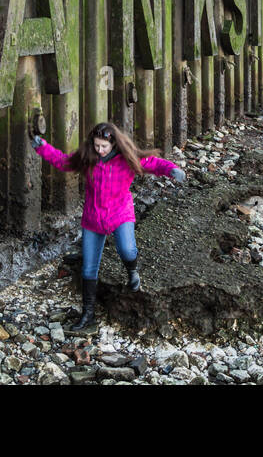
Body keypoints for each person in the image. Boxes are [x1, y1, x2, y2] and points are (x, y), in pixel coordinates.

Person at [34, 122, 185, 330]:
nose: (100, 150)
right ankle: (88, 314)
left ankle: (132, 272)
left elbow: (153, 163)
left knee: (127, 249)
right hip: (93, 219)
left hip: (120, 214)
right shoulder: (88, 158)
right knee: (89, 267)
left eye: (104, 146)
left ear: (113, 144)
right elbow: (63, 161)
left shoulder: (127, 159)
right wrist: (40, 145)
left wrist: (172, 170)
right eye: (97, 145)